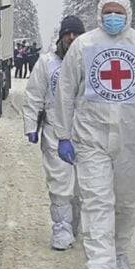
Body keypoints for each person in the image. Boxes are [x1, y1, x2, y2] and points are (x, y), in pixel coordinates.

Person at [53, 0, 135, 269]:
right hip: (91, 136)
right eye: (108, 11)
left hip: (132, 138)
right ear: (99, 12)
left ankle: (119, 251)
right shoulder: (84, 45)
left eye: (119, 11)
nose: (113, 17)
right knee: (96, 200)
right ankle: (98, 266)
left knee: (124, 201)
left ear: (128, 13)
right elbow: (66, 91)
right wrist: (63, 135)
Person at [23, 15, 86, 251]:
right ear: (61, 37)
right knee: (60, 182)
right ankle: (61, 227)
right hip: (55, 131)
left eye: (77, 34)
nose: (72, 38)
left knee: (85, 184)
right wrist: (31, 125)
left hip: (87, 130)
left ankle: (76, 225)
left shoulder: (90, 62)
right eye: (68, 34)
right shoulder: (47, 63)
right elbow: (33, 95)